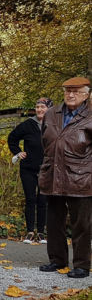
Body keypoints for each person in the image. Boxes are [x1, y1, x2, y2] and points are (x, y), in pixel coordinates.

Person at [38, 77, 92, 279]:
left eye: (76, 91)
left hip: (81, 178)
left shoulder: (90, 115)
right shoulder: (52, 113)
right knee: (53, 221)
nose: (70, 95)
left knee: (82, 224)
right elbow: (46, 142)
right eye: (68, 91)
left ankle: (81, 265)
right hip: (53, 174)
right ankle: (57, 260)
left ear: (86, 94)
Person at [8, 97, 53, 244]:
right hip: (28, 168)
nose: (40, 110)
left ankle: (41, 232)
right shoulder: (28, 124)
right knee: (30, 199)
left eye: (43, 107)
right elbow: (12, 138)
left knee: (43, 200)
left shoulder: (54, 124)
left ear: (49, 109)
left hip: (47, 168)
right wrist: (18, 152)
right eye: (38, 107)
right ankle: (29, 232)